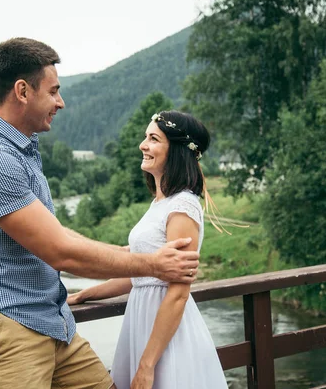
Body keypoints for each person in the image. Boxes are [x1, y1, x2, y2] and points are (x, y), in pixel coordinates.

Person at [0, 38, 201, 389]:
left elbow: (58, 234)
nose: (60, 102)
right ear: (22, 91)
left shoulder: (20, 153)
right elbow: (59, 250)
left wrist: (129, 254)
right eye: (53, 91)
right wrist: (153, 264)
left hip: (52, 325)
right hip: (4, 333)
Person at [68, 111, 228, 389]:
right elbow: (139, 275)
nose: (143, 144)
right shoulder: (160, 204)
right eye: (146, 137)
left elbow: (178, 293)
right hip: (141, 324)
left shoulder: (182, 207)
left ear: (177, 151)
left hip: (166, 337)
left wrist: (147, 364)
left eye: (153, 138)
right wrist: (82, 295)